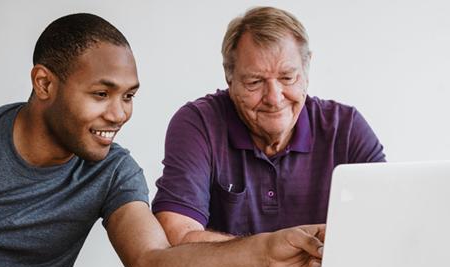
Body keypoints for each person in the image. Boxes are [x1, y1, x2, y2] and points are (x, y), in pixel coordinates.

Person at [0, 13, 324, 267]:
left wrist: (265, 252)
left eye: (128, 96)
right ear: (44, 84)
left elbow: (153, 264)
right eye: (101, 94)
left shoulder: (112, 170)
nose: (119, 114)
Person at [153, 7, 384, 249]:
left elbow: (389, 222)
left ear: (306, 71)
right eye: (255, 82)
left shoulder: (345, 128)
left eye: (287, 78)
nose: (274, 98)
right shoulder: (198, 124)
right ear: (229, 78)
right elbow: (177, 236)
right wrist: (274, 253)